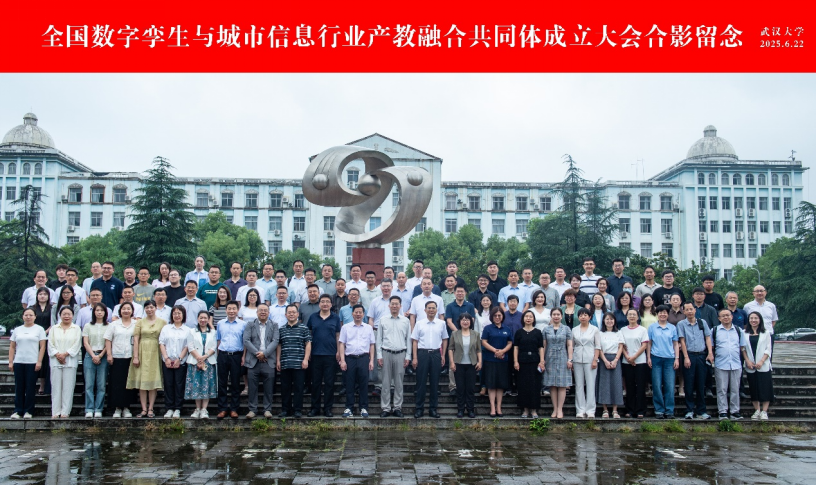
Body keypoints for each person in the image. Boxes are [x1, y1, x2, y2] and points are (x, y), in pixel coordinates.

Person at [126, 300, 167, 418]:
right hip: (142, 351)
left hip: (155, 351)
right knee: (142, 380)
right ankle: (143, 409)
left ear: (155, 308)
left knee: (153, 379)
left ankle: (151, 408)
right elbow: (136, 339)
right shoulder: (139, 322)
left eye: (151, 307)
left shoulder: (162, 322)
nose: (149, 309)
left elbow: (164, 339)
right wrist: (136, 356)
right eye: (147, 307)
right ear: (144, 309)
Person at [677, 301, 714, 420]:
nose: (689, 311)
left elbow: (708, 338)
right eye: (687, 309)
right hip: (689, 355)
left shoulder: (702, 322)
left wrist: (710, 353)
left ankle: (701, 411)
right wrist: (686, 357)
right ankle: (689, 410)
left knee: (701, 384)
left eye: (691, 309)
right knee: (689, 384)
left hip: (702, 355)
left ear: (695, 310)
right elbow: (682, 341)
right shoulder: (681, 324)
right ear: (683, 311)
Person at [411, 301, 449, 418]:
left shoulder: (441, 323)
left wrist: (443, 355)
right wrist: (415, 357)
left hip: (436, 354)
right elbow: (415, 341)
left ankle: (433, 409)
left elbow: (445, 339)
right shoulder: (419, 323)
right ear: (425, 310)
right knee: (421, 383)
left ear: (436, 310)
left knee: (435, 383)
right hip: (422, 354)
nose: (431, 310)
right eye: (429, 308)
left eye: (433, 308)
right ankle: (419, 409)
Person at [376, 296, 412, 418]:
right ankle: (385, 408)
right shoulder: (383, 320)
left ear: (400, 306)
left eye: (397, 304)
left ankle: (397, 407)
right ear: (389, 305)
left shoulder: (405, 321)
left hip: (401, 353)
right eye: (392, 304)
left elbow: (408, 339)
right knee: (385, 383)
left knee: (399, 383)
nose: (394, 306)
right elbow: (379, 339)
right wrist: (379, 355)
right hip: (386, 353)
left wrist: (408, 356)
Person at [8, 308, 47, 419]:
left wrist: (39, 361)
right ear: (23, 316)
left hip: (32, 362)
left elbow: (42, 347)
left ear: (35, 316)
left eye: (31, 315)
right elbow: (12, 347)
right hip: (19, 361)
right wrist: (11, 362)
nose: (28, 317)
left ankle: (28, 411)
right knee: (19, 387)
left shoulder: (39, 329)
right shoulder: (17, 330)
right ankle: (18, 410)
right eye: (26, 315)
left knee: (30, 387)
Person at [308, 295, 342, 417]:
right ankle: (315, 408)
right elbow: (309, 336)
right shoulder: (313, 317)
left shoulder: (335, 318)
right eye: (323, 301)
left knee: (329, 383)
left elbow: (338, 336)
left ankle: (328, 408)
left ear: (331, 304)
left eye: (328, 302)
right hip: (315, 355)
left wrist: (338, 351)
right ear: (319, 304)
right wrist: (308, 353)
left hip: (331, 355)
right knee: (316, 383)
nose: (325, 304)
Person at [243, 303, 279, 419]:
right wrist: (257, 353)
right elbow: (246, 340)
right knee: (252, 387)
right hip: (253, 360)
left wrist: (265, 353)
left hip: (268, 360)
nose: (263, 312)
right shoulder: (250, 324)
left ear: (269, 312)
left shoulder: (274, 325)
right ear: (257, 312)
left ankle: (267, 409)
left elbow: (275, 340)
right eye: (260, 310)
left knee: (268, 387)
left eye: (265, 310)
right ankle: (252, 410)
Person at [339, 304, 375, 418]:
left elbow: (372, 345)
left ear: (363, 314)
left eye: (360, 312)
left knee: (363, 384)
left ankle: (363, 408)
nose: (358, 314)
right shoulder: (346, 327)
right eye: (356, 312)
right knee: (349, 384)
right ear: (352, 314)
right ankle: (349, 408)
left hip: (364, 358)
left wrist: (371, 360)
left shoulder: (368, 328)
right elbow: (342, 344)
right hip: (350, 358)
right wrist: (342, 360)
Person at [276, 304, 311, 418]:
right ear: (285, 315)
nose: (291, 314)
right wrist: (278, 360)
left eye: (293, 312)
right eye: (289, 312)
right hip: (285, 362)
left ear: (297, 314)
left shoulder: (304, 328)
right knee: (285, 388)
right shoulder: (281, 329)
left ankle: (297, 410)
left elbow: (308, 344)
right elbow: (279, 345)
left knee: (298, 388)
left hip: (299, 363)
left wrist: (306, 359)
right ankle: (285, 410)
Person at [712, 308, 747, 420]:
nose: (726, 317)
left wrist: (747, 360)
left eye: (728, 315)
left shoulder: (738, 330)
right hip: (720, 364)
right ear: (719, 318)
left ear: (732, 317)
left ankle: (734, 411)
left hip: (736, 363)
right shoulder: (715, 330)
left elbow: (742, 347)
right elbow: (711, 346)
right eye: (723, 316)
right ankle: (722, 411)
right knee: (721, 389)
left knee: (735, 389)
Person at [104, 303, 137, 418]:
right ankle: (117, 408)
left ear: (132, 311)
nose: (126, 311)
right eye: (124, 309)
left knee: (129, 384)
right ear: (120, 311)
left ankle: (127, 408)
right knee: (116, 383)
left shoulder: (136, 324)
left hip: (131, 356)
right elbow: (108, 339)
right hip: (117, 357)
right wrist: (109, 354)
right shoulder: (114, 324)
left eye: (128, 309)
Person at [48, 305, 82, 418]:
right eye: (64, 314)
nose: (66, 316)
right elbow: (50, 344)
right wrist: (58, 354)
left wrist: (65, 354)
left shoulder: (76, 328)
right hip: (55, 361)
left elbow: (77, 344)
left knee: (68, 387)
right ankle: (55, 411)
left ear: (73, 315)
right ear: (60, 315)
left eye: (69, 314)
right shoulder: (54, 328)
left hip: (70, 361)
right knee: (56, 387)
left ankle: (65, 411)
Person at [215, 301, 247, 419]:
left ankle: (234, 409)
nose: (231, 311)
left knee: (235, 383)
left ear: (238, 310)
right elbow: (218, 340)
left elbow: (245, 342)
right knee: (222, 383)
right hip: (223, 354)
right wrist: (218, 355)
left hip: (236, 355)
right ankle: (222, 408)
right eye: (229, 308)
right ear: (226, 310)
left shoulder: (243, 324)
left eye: (234, 308)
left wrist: (243, 356)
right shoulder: (220, 323)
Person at [647, 305, 680, 419]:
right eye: (660, 312)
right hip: (655, 358)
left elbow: (675, 344)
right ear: (657, 314)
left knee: (669, 386)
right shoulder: (652, 327)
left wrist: (677, 358)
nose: (662, 314)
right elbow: (649, 343)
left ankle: (669, 410)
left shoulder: (672, 328)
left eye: (665, 312)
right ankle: (659, 410)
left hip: (669, 359)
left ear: (668, 314)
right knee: (656, 385)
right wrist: (648, 357)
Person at [159, 304, 190, 419]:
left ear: (183, 315)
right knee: (168, 384)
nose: (177, 315)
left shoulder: (187, 330)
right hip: (167, 361)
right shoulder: (166, 328)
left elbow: (187, 346)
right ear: (172, 315)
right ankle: (169, 408)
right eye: (175, 313)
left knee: (179, 384)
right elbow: (161, 343)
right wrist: (166, 358)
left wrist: (179, 359)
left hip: (180, 362)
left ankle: (178, 408)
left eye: (179, 313)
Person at [449, 313, 482, 418]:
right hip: (458, 364)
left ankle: (470, 409)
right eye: (463, 320)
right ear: (459, 322)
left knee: (470, 389)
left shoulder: (475, 334)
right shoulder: (455, 334)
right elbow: (450, 348)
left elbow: (478, 349)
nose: (465, 322)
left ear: (470, 322)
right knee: (460, 388)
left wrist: (480, 362)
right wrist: (452, 362)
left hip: (472, 364)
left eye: (467, 320)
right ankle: (460, 409)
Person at [185, 310, 218, 419]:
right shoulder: (192, 331)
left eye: (205, 318)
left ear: (208, 319)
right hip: (195, 361)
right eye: (201, 318)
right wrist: (199, 358)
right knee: (196, 385)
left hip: (208, 362)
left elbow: (214, 347)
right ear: (198, 319)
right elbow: (190, 347)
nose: (203, 320)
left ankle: (204, 409)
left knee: (206, 385)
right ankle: (197, 409)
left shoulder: (213, 332)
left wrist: (204, 357)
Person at [480, 307, 512, 417]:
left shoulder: (507, 328)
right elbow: (484, 342)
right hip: (490, 359)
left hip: (503, 360)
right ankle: (492, 408)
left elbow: (510, 342)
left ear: (502, 316)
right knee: (492, 384)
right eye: (495, 316)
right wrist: (495, 351)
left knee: (500, 384)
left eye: (499, 315)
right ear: (492, 317)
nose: (497, 317)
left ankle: (499, 407)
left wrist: (502, 351)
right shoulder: (488, 328)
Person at [542, 307, 573, 419]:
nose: (556, 316)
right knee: (552, 384)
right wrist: (542, 359)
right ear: (551, 316)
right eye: (554, 314)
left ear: (561, 316)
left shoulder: (566, 329)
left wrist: (570, 359)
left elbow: (569, 345)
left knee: (562, 384)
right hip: (550, 357)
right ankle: (555, 408)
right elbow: (544, 345)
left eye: (558, 314)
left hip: (562, 357)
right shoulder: (546, 329)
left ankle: (560, 409)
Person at [513, 310, 544, 418]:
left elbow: (541, 347)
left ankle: (534, 410)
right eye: (526, 316)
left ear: (534, 319)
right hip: (522, 362)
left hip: (535, 361)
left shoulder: (538, 332)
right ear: (523, 319)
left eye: (530, 316)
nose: (528, 318)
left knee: (534, 386)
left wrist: (542, 361)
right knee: (523, 386)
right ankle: (525, 410)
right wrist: (516, 361)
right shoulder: (519, 332)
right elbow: (516, 348)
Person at [572, 308, 601, 418]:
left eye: (585, 315)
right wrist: (571, 359)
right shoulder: (574, 330)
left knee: (590, 385)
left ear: (589, 317)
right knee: (579, 385)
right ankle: (580, 410)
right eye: (581, 315)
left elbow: (597, 346)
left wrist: (595, 359)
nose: (583, 317)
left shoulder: (595, 329)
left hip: (590, 359)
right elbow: (572, 345)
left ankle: (590, 410)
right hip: (577, 358)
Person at [743, 311, 772, 420]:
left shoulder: (766, 332)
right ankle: (757, 410)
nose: (753, 320)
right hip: (751, 365)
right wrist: (747, 361)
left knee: (765, 388)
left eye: (756, 318)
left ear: (760, 320)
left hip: (763, 365)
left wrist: (761, 361)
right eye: (751, 318)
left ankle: (764, 411)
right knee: (753, 388)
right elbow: (743, 349)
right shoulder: (744, 333)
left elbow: (768, 349)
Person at [82, 303, 110, 418]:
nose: (99, 312)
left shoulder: (109, 326)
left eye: (101, 310)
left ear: (105, 313)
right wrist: (93, 355)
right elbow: (85, 342)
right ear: (94, 312)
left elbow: (108, 342)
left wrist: (100, 355)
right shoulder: (88, 326)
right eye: (97, 310)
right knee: (89, 384)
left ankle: (98, 408)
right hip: (90, 355)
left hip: (103, 356)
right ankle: (89, 409)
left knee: (101, 385)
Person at [621, 308, 650, 418]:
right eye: (630, 314)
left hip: (640, 361)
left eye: (634, 314)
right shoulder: (623, 330)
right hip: (626, 361)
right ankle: (629, 410)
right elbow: (622, 346)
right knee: (629, 386)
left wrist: (634, 357)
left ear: (638, 317)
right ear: (627, 317)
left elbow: (644, 345)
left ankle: (640, 410)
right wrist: (628, 357)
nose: (632, 316)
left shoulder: (642, 330)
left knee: (640, 386)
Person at [597, 312, 625, 418]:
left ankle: (615, 410)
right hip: (603, 359)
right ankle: (605, 409)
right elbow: (598, 348)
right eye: (607, 319)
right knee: (604, 384)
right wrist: (604, 360)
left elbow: (621, 347)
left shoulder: (619, 332)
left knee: (616, 384)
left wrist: (616, 360)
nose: (609, 321)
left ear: (614, 321)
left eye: (611, 319)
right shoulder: (600, 333)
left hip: (615, 358)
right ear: (604, 321)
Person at [31, 287, 53, 395]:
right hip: (34, 337)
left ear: (48, 296)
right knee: (34, 359)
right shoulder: (32, 308)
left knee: (45, 361)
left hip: (47, 336)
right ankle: (32, 383)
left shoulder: (52, 308)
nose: (42, 296)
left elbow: (53, 323)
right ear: (37, 296)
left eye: (45, 294)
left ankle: (43, 385)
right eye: (40, 294)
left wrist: (45, 332)